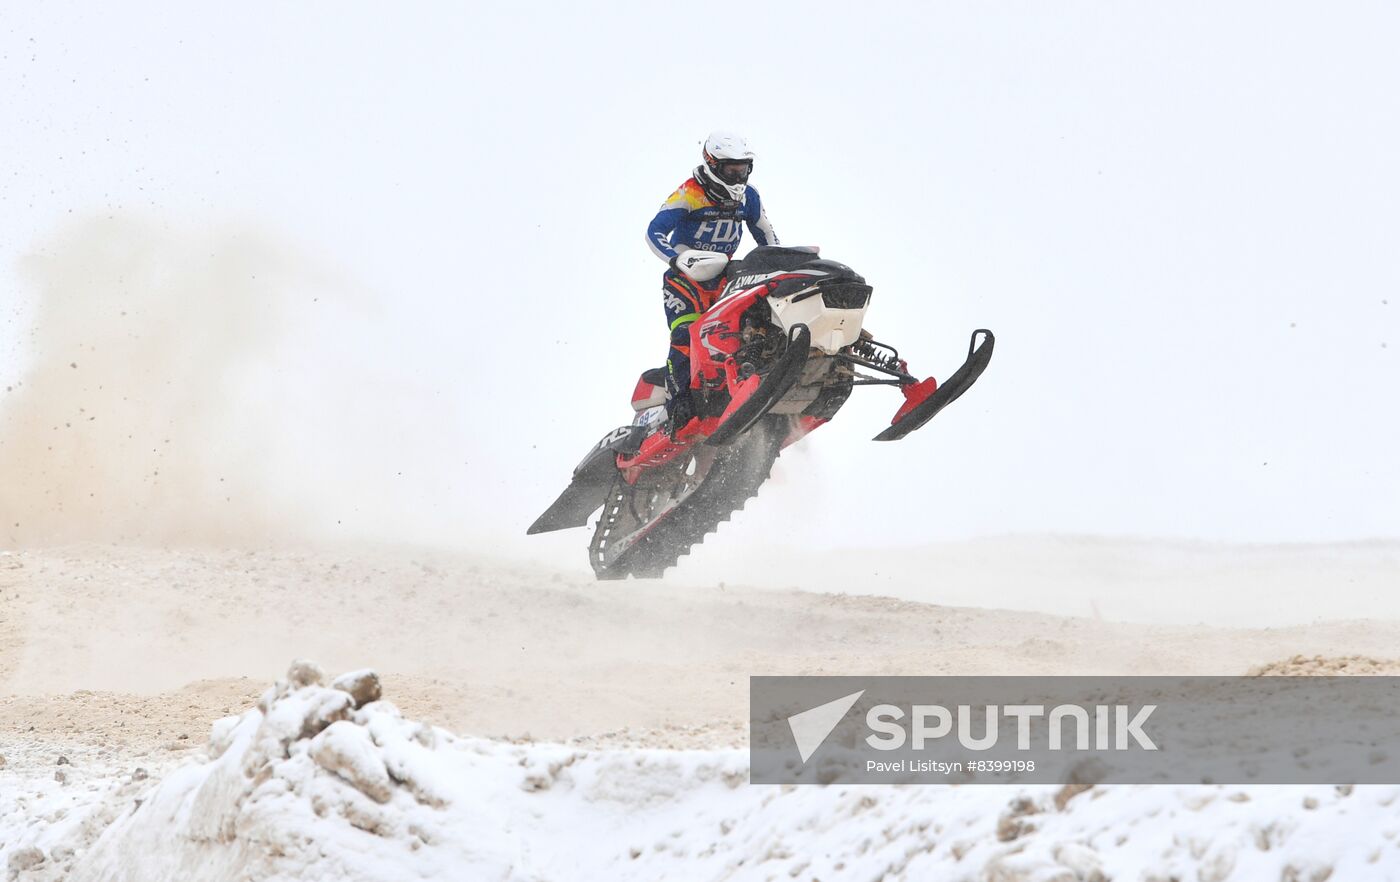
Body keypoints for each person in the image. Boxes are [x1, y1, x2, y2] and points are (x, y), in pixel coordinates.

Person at [646, 131, 779, 435]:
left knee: (746, 326)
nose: (737, 177)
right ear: (711, 164)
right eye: (731, 170)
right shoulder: (689, 194)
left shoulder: (749, 196)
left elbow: (768, 238)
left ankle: (752, 376)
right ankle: (679, 403)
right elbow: (654, 232)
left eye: (743, 169)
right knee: (686, 333)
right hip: (686, 278)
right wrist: (675, 260)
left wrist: (776, 264)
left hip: (727, 275)